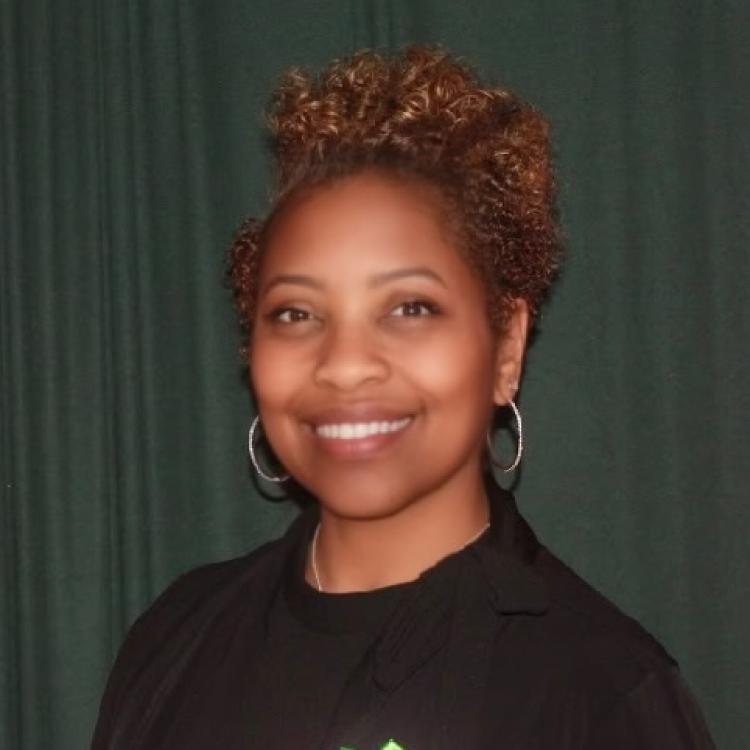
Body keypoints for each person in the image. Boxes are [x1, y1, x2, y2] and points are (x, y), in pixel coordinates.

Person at [90, 43, 717, 750]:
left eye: (410, 307)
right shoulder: (175, 643)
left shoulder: (599, 695)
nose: (345, 365)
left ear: (506, 347)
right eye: (296, 313)